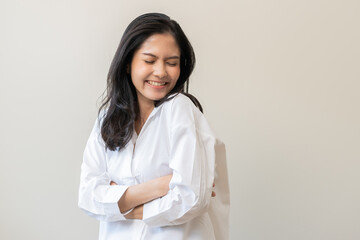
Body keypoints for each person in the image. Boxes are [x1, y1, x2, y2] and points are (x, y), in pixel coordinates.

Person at [78, 13, 230, 240]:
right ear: (128, 63)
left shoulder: (180, 108)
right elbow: (89, 198)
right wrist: (163, 185)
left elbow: (190, 199)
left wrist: (118, 204)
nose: (161, 72)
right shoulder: (108, 119)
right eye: (149, 61)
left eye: (172, 63)